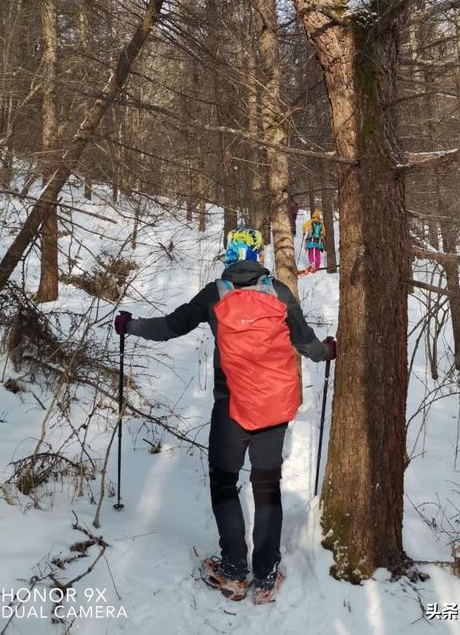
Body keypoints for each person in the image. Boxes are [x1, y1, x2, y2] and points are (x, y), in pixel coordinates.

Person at [114, 226, 335, 605]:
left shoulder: (215, 293)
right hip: (272, 409)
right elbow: (305, 343)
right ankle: (265, 577)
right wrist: (327, 352)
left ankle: (234, 571)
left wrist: (129, 326)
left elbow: (170, 327)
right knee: (266, 489)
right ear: (259, 257)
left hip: (231, 406)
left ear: (229, 256)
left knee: (224, 483)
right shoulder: (279, 293)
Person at [301, 209, 326, 273]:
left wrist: (304, 233)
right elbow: (324, 232)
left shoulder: (309, 221)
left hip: (310, 240)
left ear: (313, 216)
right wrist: (323, 236)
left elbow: (304, 226)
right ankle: (317, 264)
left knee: (311, 251)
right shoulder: (320, 223)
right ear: (318, 217)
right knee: (317, 253)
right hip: (318, 241)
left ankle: (312, 263)